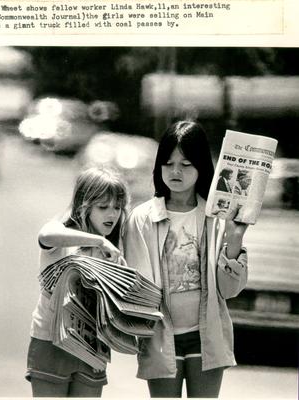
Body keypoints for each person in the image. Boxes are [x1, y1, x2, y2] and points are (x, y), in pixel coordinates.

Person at [123, 120, 248, 398]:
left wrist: (235, 239)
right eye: (168, 163)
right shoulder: (141, 219)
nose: (175, 171)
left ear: (202, 166)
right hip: (160, 336)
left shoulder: (217, 218)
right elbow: (134, 287)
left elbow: (229, 291)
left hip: (207, 336)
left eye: (186, 163)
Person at [26, 166, 129, 397]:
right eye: (103, 207)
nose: (112, 215)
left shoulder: (112, 253)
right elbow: (45, 235)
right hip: (51, 342)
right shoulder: (63, 236)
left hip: (92, 346)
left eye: (117, 208)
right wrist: (99, 242)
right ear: (84, 206)